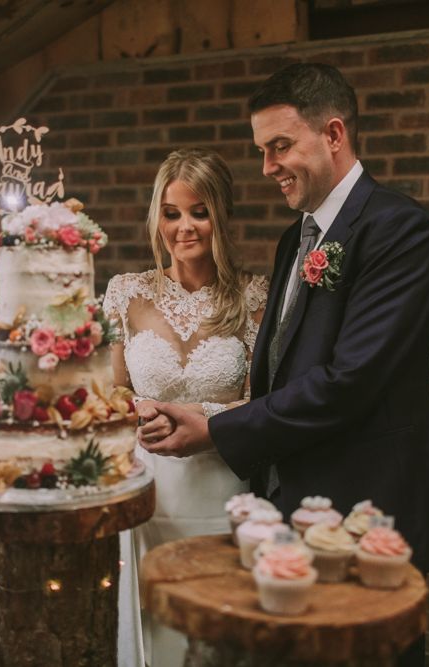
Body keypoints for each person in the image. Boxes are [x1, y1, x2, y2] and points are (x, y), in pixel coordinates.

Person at [138, 64, 429, 665]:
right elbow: (275, 374)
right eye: (261, 151)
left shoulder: (399, 230)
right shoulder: (293, 240)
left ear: (333, 135)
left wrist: (217, 429)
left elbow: (350, 382)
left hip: (361, 513)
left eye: (279, 147)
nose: (266, 167)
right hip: (286, 507)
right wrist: (210, 408)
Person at [103, 148, 268, 667]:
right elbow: (109, 393)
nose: (185, 227)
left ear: (221, 214)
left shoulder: (255, 296)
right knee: (151, 624)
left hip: (222, 488)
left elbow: (263, 401)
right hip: (147, 489)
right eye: (171, 213)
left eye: (199, 211)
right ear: (157, 216)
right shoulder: (125, 293)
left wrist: (206, 418)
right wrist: (137, 410)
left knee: (215, 629)